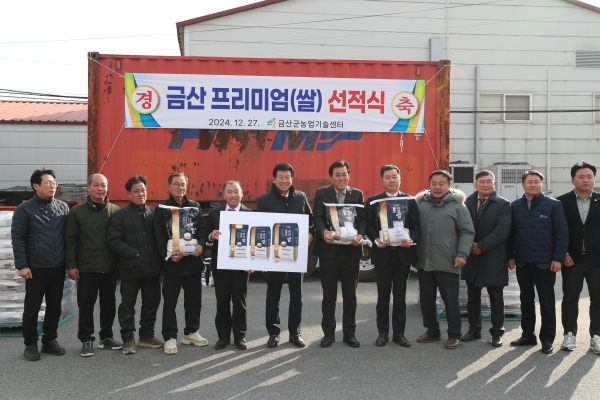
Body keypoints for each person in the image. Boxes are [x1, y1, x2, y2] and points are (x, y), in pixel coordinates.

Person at [508, 170, 568, 354]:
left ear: (542, 184)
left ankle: (547, 339)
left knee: (547, 302)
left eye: (536, 181)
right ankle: (528, 335)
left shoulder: (553, 205)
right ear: (523, 185)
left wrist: (557, 258)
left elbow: (562, 233)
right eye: (529, 182)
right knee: (526, 300)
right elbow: (510, 234)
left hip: (545, 262)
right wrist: (510, 256)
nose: (533, 185)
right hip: (523, 262)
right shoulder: (515, 206)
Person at [11, 169, 69, 361]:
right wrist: (22, 265)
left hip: (58, 267)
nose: (53, 186)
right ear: (36, 186)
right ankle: (30, 344)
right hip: (35, 268)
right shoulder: (24, 209)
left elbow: (68, 238)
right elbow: (17, 238)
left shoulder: (62, 207)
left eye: (54, 182)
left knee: (55, 307)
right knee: (32, 308)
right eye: (48, 183)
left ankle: (49, 340)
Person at [415, 170, 475, 350]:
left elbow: (467, 231)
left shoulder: (458, 207)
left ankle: (454, 334)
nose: (437, 187)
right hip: (424, 261)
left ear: (449, 185)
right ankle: (432, 330)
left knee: (450, 300)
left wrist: (462, 254)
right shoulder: (420, 205)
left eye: (442, 183)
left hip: (448, 261)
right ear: (429, 185)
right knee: (426, 299)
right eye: (434, 183)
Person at [257, 163, 314, 349]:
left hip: (296, 255)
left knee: (297, 296)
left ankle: (295, 332)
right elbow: (260, 229)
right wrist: (262, 258)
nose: (284, 180)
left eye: (287, 177)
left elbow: (311, 221)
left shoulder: (301, 197)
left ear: (292, 178)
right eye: (280, 177)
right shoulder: (265, 200)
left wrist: (310, 234)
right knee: (273, 296)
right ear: (273, 179)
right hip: (274, 256)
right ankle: (273, 333)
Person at [65, 174, 121, 357]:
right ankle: (86, 339)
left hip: (110, 268)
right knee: (86, 305)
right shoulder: (77, 212)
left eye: (103, 185)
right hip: (87, 268)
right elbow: (70, 240)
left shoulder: (115, 211)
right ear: (88, 188)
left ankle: (106, 337)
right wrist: (71, 265)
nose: (100, 188)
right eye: (96, 185)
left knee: (109, 304)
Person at [107, 175, 164, 355]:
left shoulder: (154, 213)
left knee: (151, 304)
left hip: (152, 270)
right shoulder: (120, 215)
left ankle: (147, 335)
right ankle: (128, 338)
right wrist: (135, 254)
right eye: (136, 191)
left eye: (143, 190)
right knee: (127, 306)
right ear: (128, 193)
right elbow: (113, 240)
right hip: (130, 269)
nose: (141, 194)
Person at [313, 160, 366, 348]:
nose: (341, 178)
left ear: (349, 176)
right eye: (337, 175)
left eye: (344, 174)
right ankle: (328, 334)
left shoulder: (357, 194)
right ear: (331, 177)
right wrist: (323, 232)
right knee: (329, 295)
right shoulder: (322, 193)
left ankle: (349, 334)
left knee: (350, 296)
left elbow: (363, 220)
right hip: (329, 251)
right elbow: (317, 217)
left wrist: (360, 235)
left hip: (351, 251)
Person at [154, 172, 208, 355]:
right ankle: (170, 337)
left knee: (194, 300)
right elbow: (159, 236)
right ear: (169, 187)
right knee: (170, 301)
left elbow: (202, 230)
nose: (180, 187)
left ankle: (191, 332)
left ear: (187, 186)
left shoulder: (195, 206)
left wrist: (201, 245)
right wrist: (168, 255)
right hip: (173, 263)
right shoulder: (161, 208)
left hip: (193, 262)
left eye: (183, 184)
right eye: (176, 184)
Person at [366, 165, 419, 348]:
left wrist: (411, 239)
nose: (391, 180)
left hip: (403, 255)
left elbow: (416, 227)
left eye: (394, 177)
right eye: (387, 177)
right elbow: (369, 225)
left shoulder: (410, 201)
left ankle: (399, 333)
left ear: (400, 179)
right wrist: (375, 239)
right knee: (382, 297)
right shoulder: (374, 201)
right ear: (382, 180)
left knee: (400, 297)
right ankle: (382, 333)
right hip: (383, 254)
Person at [199, 181, 253, 350]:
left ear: (242, 193)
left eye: (236, 191)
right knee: (222, 303)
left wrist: (254, 262)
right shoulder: (216, 213)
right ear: (224, 195)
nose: (233, 195)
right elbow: (205, 232)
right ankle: (223, 337)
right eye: (229, 192)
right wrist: (211, 235)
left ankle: (240, 337)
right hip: (221, 265)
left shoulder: (251, 214)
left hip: (242, 266)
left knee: (239, 302)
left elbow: (255, 240)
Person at [460, 170, 511, 347]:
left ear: (494, 184)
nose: (485, 184)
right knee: (473, 296)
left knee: (496, 297)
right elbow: (461, 227)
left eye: (489, 181)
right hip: (472, 256)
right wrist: (470, 246)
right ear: (475, 184)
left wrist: (480, 246)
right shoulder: (466, 203)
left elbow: (502, 231)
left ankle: (497, 332)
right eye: (481, 181)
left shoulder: (503, 204)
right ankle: (474, 330)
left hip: (494, 256)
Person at [557, 161, 600, 354]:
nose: (585, 180)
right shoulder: (561, 202)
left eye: (589, 176)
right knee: (570, 298)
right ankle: (569, 335)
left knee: (598, 299)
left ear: (594, 179)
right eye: (581, 176)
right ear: (573, 180)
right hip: (571, 259)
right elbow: (556, 231)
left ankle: (596, 336)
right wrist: (563, 253)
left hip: (597, 259)